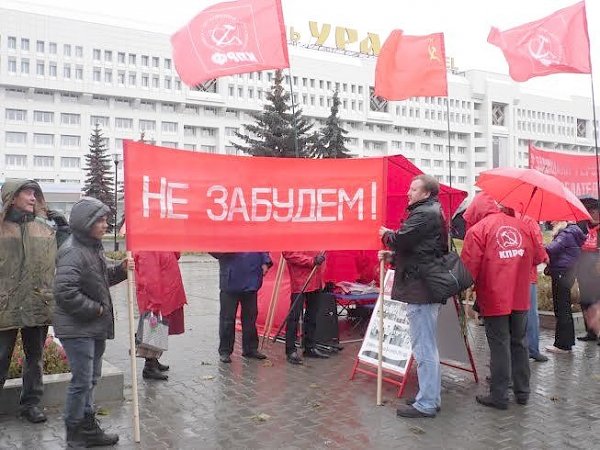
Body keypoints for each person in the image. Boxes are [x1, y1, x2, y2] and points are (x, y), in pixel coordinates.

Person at [53, 197, 129, 447]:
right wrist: (96, 310)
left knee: (91, 378)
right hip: (78, 329)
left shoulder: (93, 246)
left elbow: (102, 275)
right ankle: (74, 433)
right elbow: (65, 292)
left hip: (93, 327)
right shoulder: (72, 250)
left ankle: (88, 426)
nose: (106, 224)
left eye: (107, 219)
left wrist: (122, 268)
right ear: (87, 223)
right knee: (81, 381)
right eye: (102, 220)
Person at [461, 195, 546, 410]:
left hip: (494, 297)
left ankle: (499, 395)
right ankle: (523, 392)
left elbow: (467, 271)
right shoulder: (523, 226)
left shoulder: (478, 231)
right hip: (519, 295)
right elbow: (538, 257)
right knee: (519, 342)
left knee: (499, 345)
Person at [0, 179, 70, 424]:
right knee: (0, 357)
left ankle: (30, 404)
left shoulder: (45, 229)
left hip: (37, 303)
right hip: (4, 307)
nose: (32, 198)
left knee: (35, 358)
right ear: (12, 197)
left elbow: (66, 255)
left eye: (34, 194)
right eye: (27, 193)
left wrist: (65, 230)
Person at [380, 174, 447, 419]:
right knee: (426, 345)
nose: (408, 193)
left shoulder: (424, 214)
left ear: (426, 193)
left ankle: (427, 402)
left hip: (421, 289)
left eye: (413, 189)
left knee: (423, 347)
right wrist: (394, 257)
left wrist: (386, 234)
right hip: (423, 285)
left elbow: (402, 239)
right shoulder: (431, 211)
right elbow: (420, 250)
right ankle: (429, 395)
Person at [133, 251, 187, 379]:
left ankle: (154, 360)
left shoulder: (159, 243)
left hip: (164, 294)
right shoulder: (148, 249)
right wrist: (154, 301)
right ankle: (149, 366)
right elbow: (150, 276)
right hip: (156, 296)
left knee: (158, 329)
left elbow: (176, 254)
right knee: (154, 328)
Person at [212, 252, 272, 363]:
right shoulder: (224, 234)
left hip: (252, 278)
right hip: (230, 279)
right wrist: (225, 249)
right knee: (227, 319)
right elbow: (213, 249)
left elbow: (262, 243)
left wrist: (265, 261)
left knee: (250, 317)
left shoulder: (255, 233)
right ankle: (225, 350)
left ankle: (250, 349)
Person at [544, 221, 587, 354]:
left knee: (562, 308)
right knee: (565, 307)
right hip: (567, 272)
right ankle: (566, 343)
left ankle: (563, 345)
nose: (551, 222)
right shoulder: (573, 232)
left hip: (561, 273)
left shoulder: (566, 234)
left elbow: (551, 249)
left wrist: (539, 245)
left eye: (554, 220)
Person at [282, 251, 328, 365]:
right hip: (300, 281)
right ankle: (290, 349)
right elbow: (288, 253)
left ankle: (310, 346)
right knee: (294, 317)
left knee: (312, 315)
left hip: (315, 279)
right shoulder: (292, 234)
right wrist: (311, 261)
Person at [519, 214, 549, 362]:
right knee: (530, 313)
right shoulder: (528, 220)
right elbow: (538, 249)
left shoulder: (499, 218)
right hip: (527, 275)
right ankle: (532, 349)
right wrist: (544, 258)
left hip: (506, 276)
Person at [576, 198, 600, 344]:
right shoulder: (581, 226)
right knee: (586, 302)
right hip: (583, 270)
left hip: (597, 269)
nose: (592, 214)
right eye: (590, 211)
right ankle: (590, 331)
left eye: (595, 211)